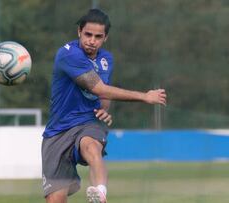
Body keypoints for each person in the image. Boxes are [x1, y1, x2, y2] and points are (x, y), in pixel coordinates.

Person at [41, 8, 166, 203]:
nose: (92, 40)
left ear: (105, 38)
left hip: (88, 121)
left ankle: (99, 193)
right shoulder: (68, 54)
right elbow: (98, 88)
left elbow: (103, 91)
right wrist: (145, 96)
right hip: (57, 131)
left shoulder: (106, 59)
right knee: (56, 199)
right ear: (79, 32)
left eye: (98, 37)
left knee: (92, 147)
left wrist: (103, 110)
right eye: (88, 34)